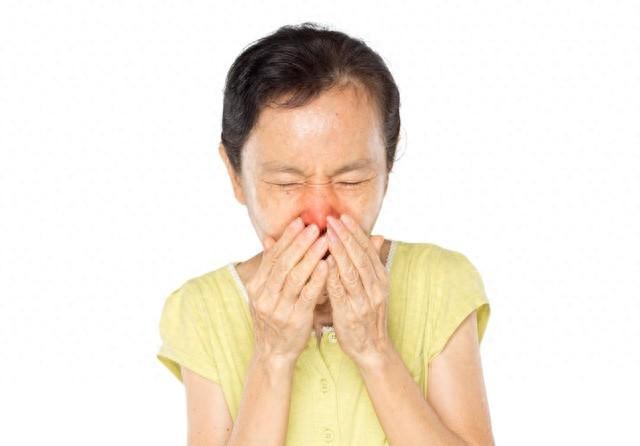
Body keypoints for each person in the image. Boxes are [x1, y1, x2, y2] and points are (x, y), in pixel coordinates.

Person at [156, 22, 494, 446]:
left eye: (351, 181)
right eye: (286, 183)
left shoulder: (441, 282)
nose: (320, 215)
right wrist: (273, 355)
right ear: (235, 175)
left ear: (387, 167)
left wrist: (374, 349)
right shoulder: (201, 309)